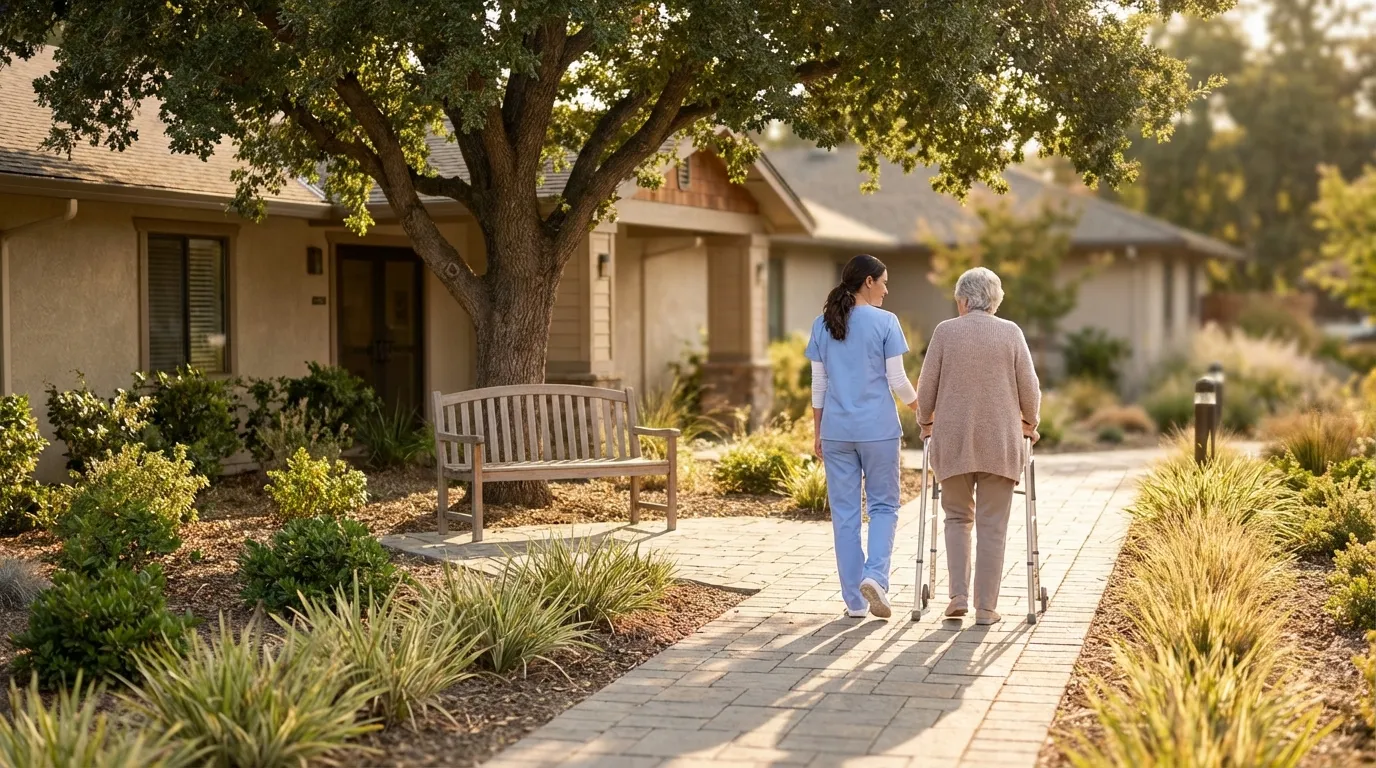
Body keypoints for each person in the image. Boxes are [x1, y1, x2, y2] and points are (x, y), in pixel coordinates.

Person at [916, 266, 1041, 626]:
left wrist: (926, 423)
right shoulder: (1011, 333)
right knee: (992, 526)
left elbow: (926, 391)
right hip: (1001, 441)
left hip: (952, 440)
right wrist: (1030, 425)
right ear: (995, 301)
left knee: (956, 518)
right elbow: (1029, 391)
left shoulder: (945, 332)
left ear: (963, 300)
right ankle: (986, 608)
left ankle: (957, 596)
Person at [806, 254, 920, 619]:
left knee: (844, 515)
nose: (887, 290)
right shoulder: (885, 322)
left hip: (836, 431)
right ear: (867, 282)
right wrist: (922, 408)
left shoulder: (822, 324)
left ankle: (854, 602)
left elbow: (818, 385)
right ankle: (875, 577)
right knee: (884, 506)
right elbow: (897, 380)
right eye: (884, 282)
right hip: (878, 431)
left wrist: (817, 432)